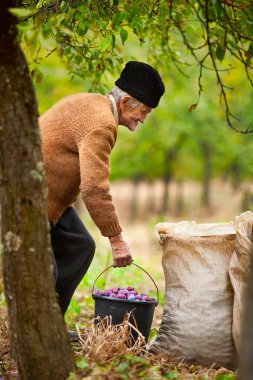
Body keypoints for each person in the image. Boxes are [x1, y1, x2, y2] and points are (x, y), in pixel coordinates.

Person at [39, 61, 165, 316]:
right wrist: (117, 240)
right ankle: (37, 337)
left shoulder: (94, 104)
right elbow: (94, 187)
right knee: (43, 269)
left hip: (50, 200)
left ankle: (51, 325)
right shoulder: (101, 124)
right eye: (144, 111)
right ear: (125, 101)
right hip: (28, 199)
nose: (143, 119)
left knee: (80, 246)